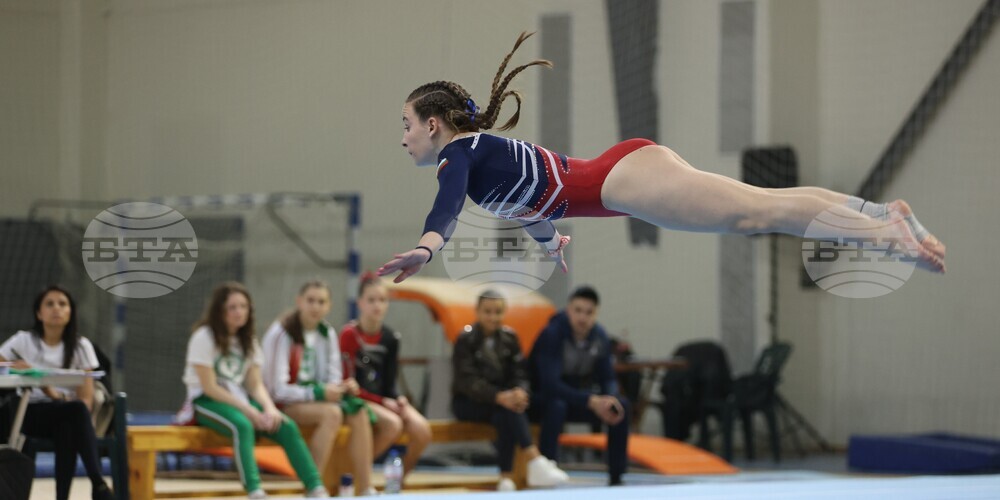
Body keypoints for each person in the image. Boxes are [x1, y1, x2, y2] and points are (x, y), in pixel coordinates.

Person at [376, 31, 945, 284]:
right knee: (763, 204)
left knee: (760, 214)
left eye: (407, 125)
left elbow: (446, 209)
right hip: (627, 174)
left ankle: (885, 237)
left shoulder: (459, 158)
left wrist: (426, 249)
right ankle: (880, 215)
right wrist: (550, 243)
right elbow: (531, 205)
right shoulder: (482, 159)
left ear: (434, 124)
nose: (403, 139)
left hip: (625, 184)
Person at [181, 282, 327, 499]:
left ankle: (315, 487)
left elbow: (255, 384)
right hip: (206, 401)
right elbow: (210, 387)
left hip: (238, 400)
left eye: (243, 306)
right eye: (232, 307)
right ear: (219, 310)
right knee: (242, 425)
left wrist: (269, 409)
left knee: (285, 425)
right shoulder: (204, 336)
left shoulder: (248, 339)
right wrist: (249, 411)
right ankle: (254, 490)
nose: (239, 312)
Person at [262, 280, 377, 496]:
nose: (315, 306)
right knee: (332, 414)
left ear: (329, 306)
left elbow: (332, 376)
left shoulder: (327, 332)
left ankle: (365, 488)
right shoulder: (282, 333)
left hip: (313, 400)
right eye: (311, 301)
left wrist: (341, 387)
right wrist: (316, 392)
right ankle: (313, 487)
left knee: (359, 411)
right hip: (279, 405)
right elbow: (276, 390)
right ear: (299, 302)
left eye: (321, 302)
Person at [0, 286, 114, 500]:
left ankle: (69, 495)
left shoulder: (81, 346)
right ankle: (98, 484)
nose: (56, 309)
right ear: (39, 313)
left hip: (65, 412)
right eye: (49, 304)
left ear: (70, 312)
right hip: (28, 412)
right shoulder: (23, 340)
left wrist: (54, 394)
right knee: (73, 414)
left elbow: (86, 400)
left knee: (69, 425)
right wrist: (15, 366)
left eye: (62, 304)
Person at [451, 289, 569, 491]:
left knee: (508, 411)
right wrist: (498, 396)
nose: (493, 317)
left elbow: (520, 373)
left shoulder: (510, 338)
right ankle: (534, 459)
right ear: (477, 312)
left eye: (497, 312)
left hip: (503, 402)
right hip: (468, 402)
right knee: (507, 409)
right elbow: (467, 381)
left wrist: (520, 392)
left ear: (504, 312)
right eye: (487, 312)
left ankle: (506, 479)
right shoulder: (465, 339)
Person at [530, 286, 629, 486]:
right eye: (578, 310)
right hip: (541, 397)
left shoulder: (599, 337)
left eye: (589, 312)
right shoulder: (552, 334)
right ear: (568, 310)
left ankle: (617, 476)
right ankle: (547, 469)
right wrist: (590, 401)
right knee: (557, 405)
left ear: (596, 314)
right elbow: (550, 385)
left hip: (577, 397)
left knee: (621, 406)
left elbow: (608, 377)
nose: (582, 318)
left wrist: (609, 399)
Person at [339, 273, 431, 484]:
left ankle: (398, 481)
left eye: (382, 300)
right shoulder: (349, 335)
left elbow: (389, 383)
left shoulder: (391, 338)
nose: (377, 306)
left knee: (422, 430)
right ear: (360, 303)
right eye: (371, 300)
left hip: (382, 400)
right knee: (393, 425)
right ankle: (351, 472)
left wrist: (398, 399)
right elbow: (348, 384)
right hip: (357, 399)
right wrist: (383, 401)